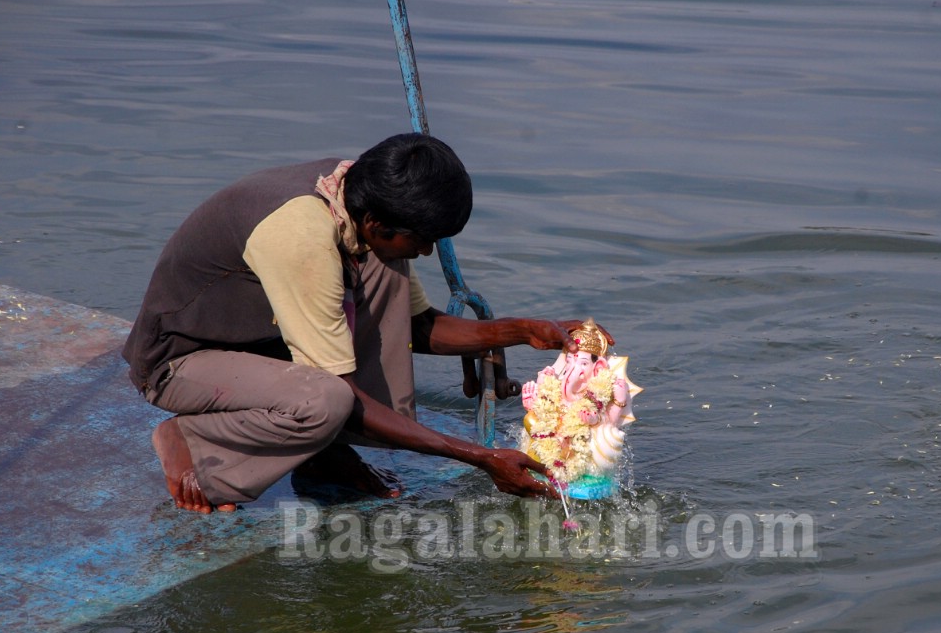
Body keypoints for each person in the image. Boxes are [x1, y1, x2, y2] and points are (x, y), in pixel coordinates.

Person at [122, 132, 610, 513]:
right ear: (377, 224)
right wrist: (480, 457)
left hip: (257, 342)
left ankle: (324, 452)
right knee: (325, 401)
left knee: (384, 271)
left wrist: (524, 331)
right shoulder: (302, 235)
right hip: (180, 361)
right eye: (422, 241)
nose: (424, 252)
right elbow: (340, 392)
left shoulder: (359, 196)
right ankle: (193, 443)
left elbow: (415, 326)